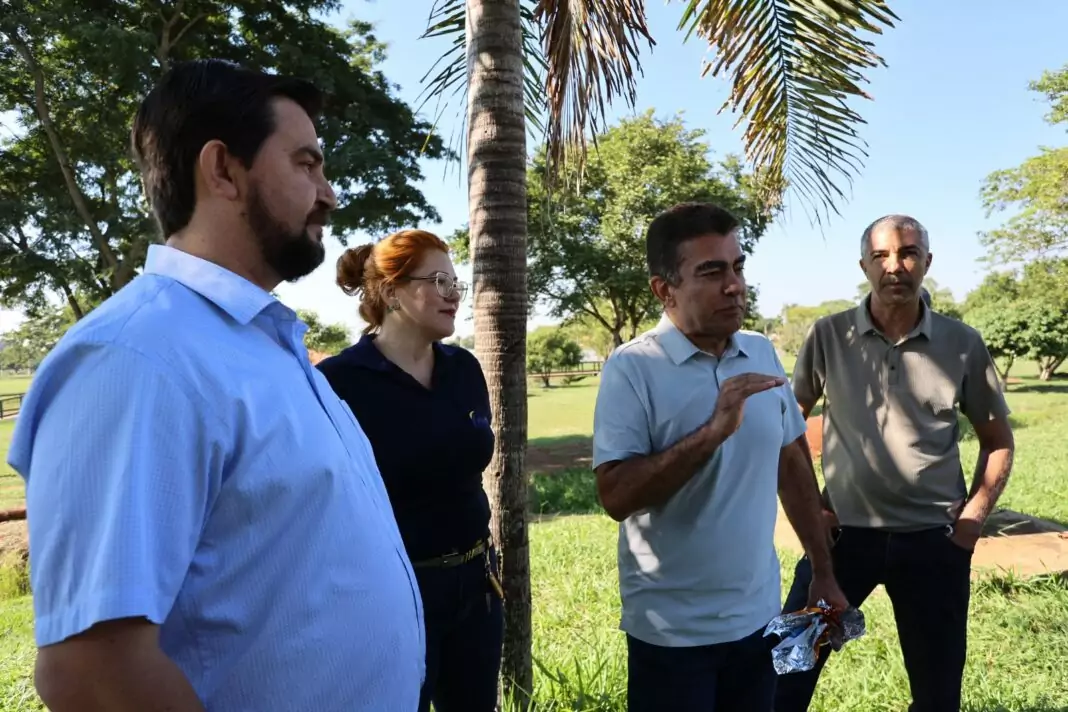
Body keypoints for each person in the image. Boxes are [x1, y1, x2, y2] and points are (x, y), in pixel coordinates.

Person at [7, 59, 425, 711]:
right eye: (306, 164)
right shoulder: (138, 357)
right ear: (224, 170)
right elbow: (92, 675)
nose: (330, 192)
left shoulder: (261, 344)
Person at [591, 202, 847, 712]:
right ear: (664, 290)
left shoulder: (761, 351)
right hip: (671, 635)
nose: (734, 285)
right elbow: (616, 496)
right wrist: (713, 432)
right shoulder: (633, 367)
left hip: (758, 619)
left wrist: (822, 570)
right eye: (711, 272)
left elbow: (791, 464)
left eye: (737, 266)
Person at [774, 215, 1015, 712]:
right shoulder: (828, 336)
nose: (895, 266)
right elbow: (788, 428)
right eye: (881, 255)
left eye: (908, 253)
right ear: (863, 264)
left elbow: (998, 441)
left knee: (937, 693)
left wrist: (969, 525)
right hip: (840, 544)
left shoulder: (962, 343)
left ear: (927, 261)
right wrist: (814, 514)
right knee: (785, 674)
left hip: (933, 543)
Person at [316, 229, 503, 712]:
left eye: (456, 281)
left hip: (478, 586)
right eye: (438, 280)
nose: (453, 293)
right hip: (392, 595)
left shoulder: (464, 368)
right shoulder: (338, 382)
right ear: (391, 291)